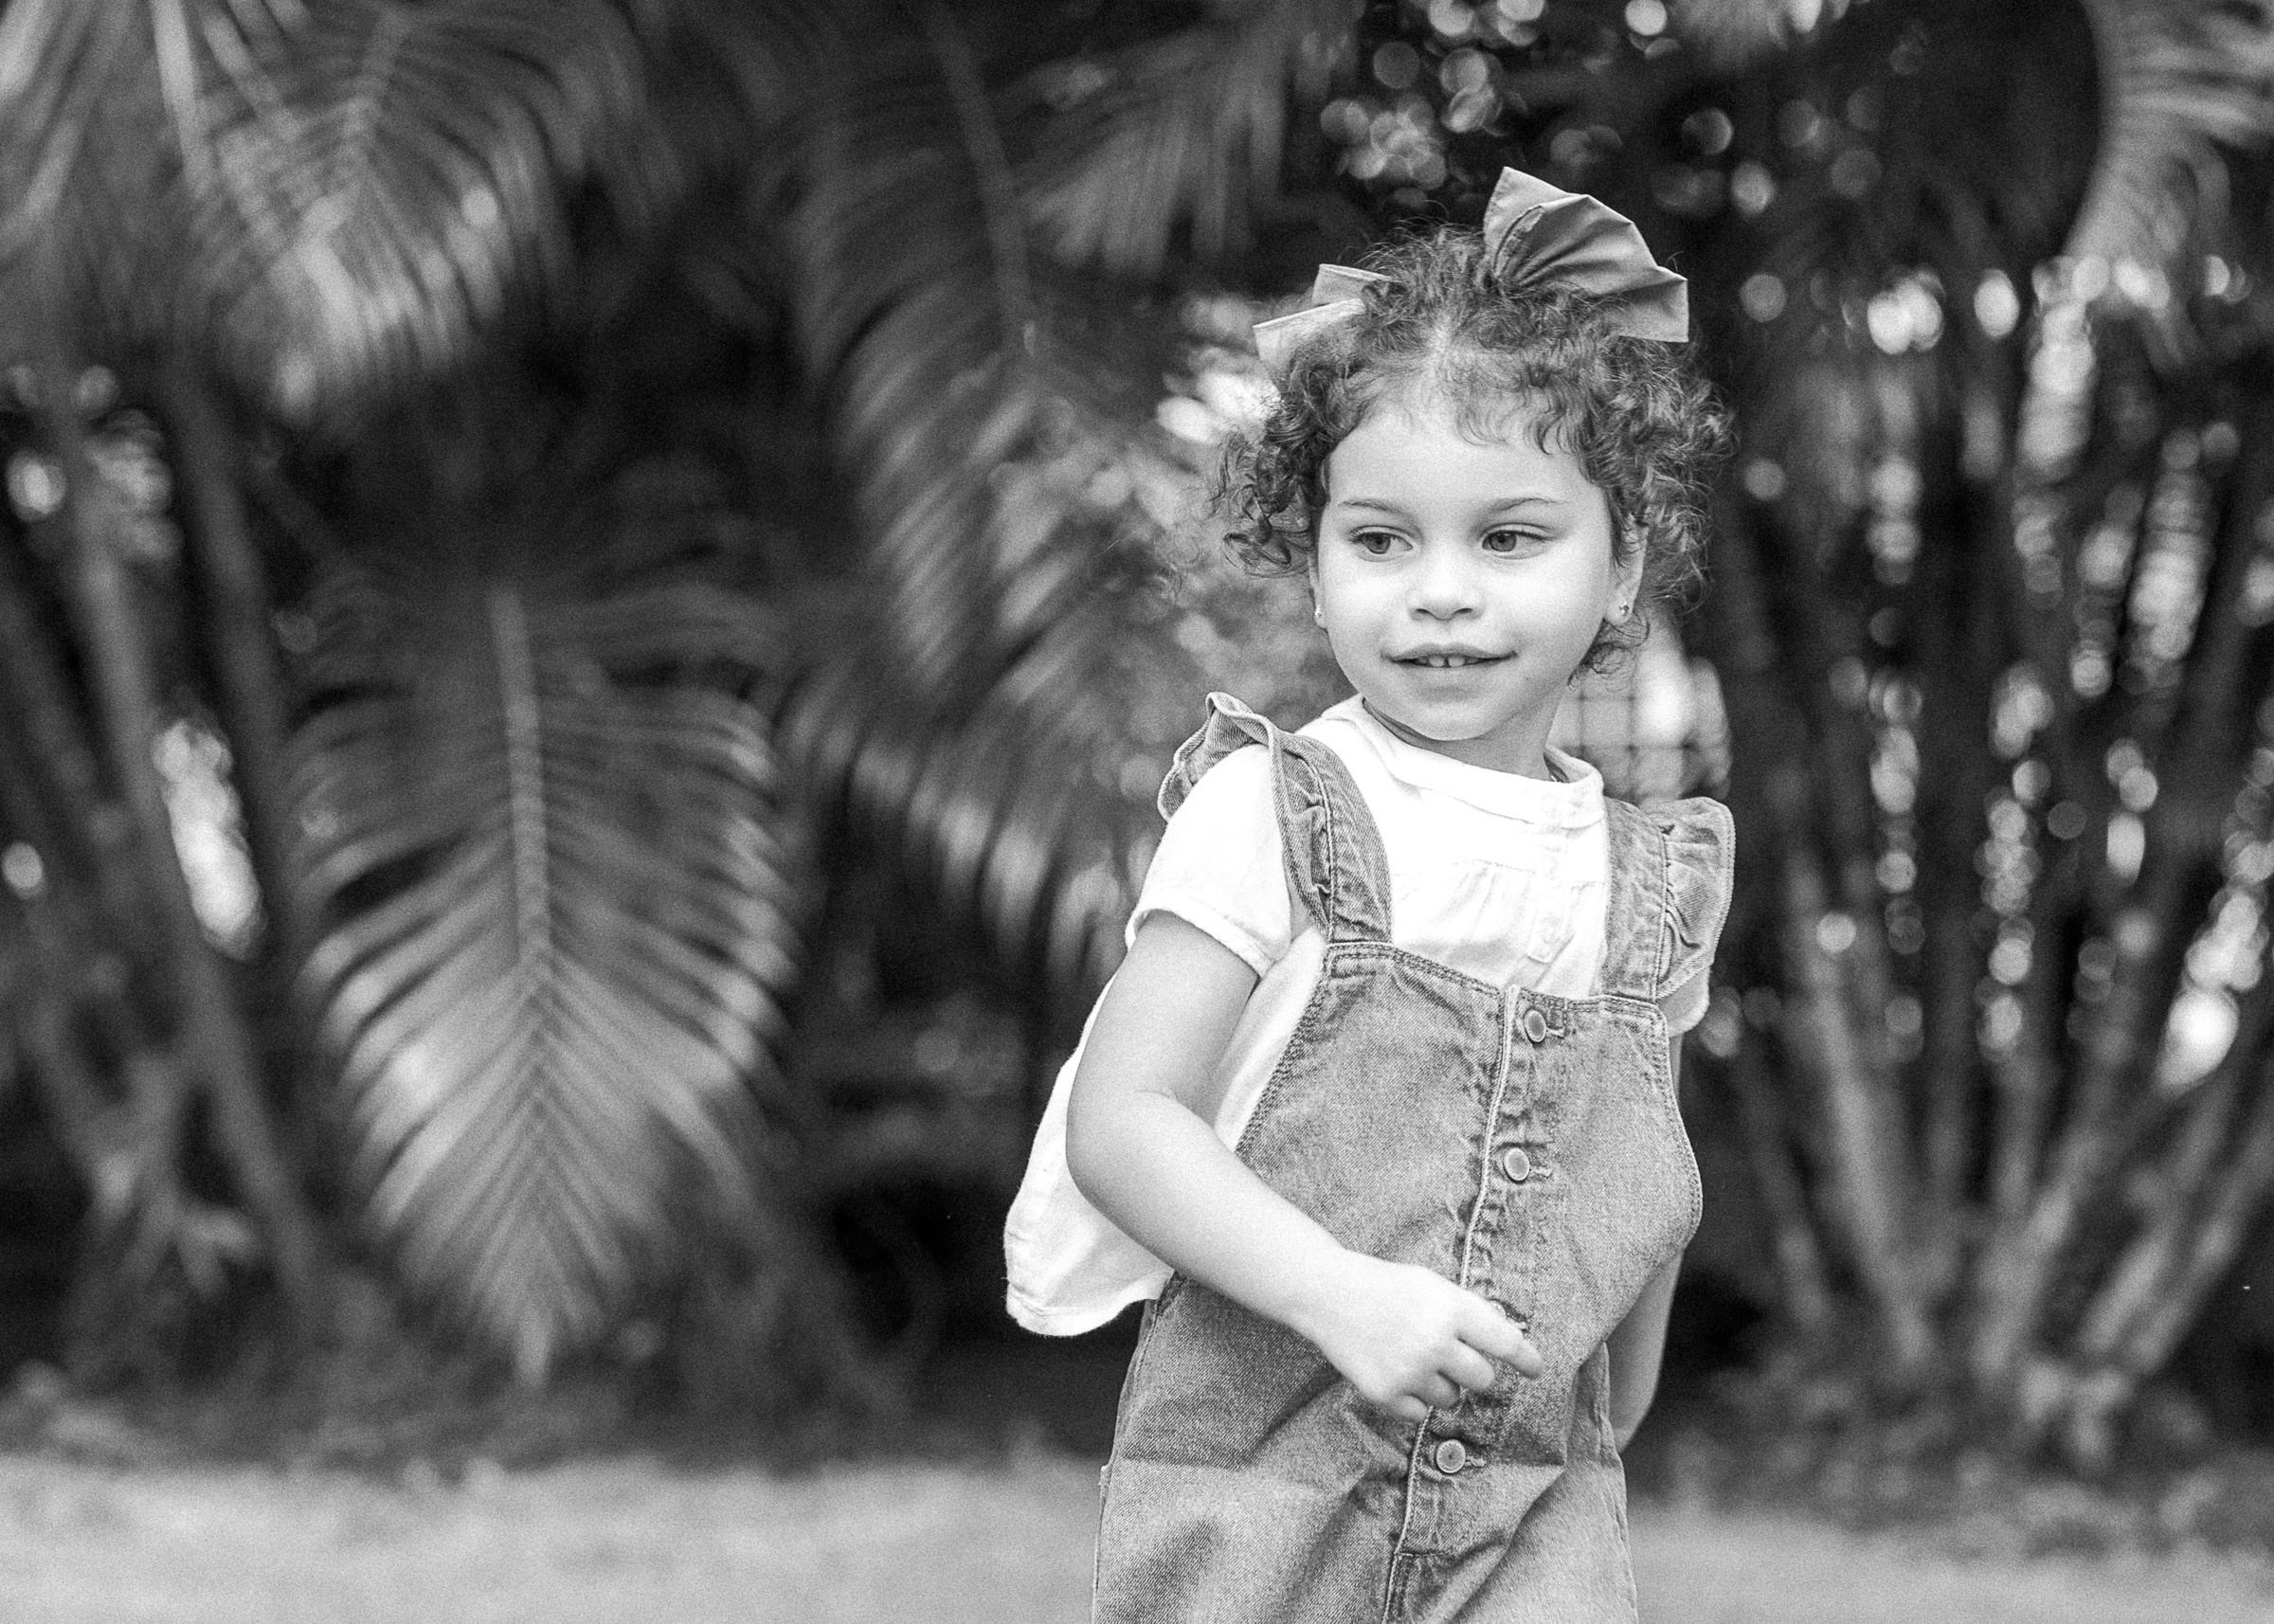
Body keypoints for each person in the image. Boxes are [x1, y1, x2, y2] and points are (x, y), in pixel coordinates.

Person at [1003, 167, 1734, 1622]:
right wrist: (1343, 1293)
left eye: (1509, 537)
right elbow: (1124, 1119)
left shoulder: (1645, 874)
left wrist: (1612, 1396)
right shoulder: (1273, 808)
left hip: (1539, 1515)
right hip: (1263, 1493)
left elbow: (1631, 1161)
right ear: (1318, 564)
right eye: (1382, 538)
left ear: (1622, 565)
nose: (1440, 591)